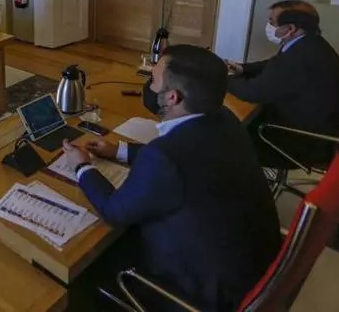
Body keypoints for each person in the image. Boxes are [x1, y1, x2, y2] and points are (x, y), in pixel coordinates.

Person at [63, 45, 281, 310]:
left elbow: (114, 210)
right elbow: (189, 156)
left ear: (172, 98)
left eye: (153, 80)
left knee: (83, 272)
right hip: (257, 274)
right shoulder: (225, 119)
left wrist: (82, 167)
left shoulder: (164, 158)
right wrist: (119, 150)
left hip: (203, 295)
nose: (149, 86)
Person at [227, 0, 339, 168]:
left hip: (299, 143)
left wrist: (221, 77)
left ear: (290, 28)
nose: (269, 26)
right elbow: (274, 65)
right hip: (312, 131)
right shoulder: (309, 44)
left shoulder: (300, 58)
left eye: (272, 22)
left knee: (224, 136)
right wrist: (242, 69)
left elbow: (253, 92)